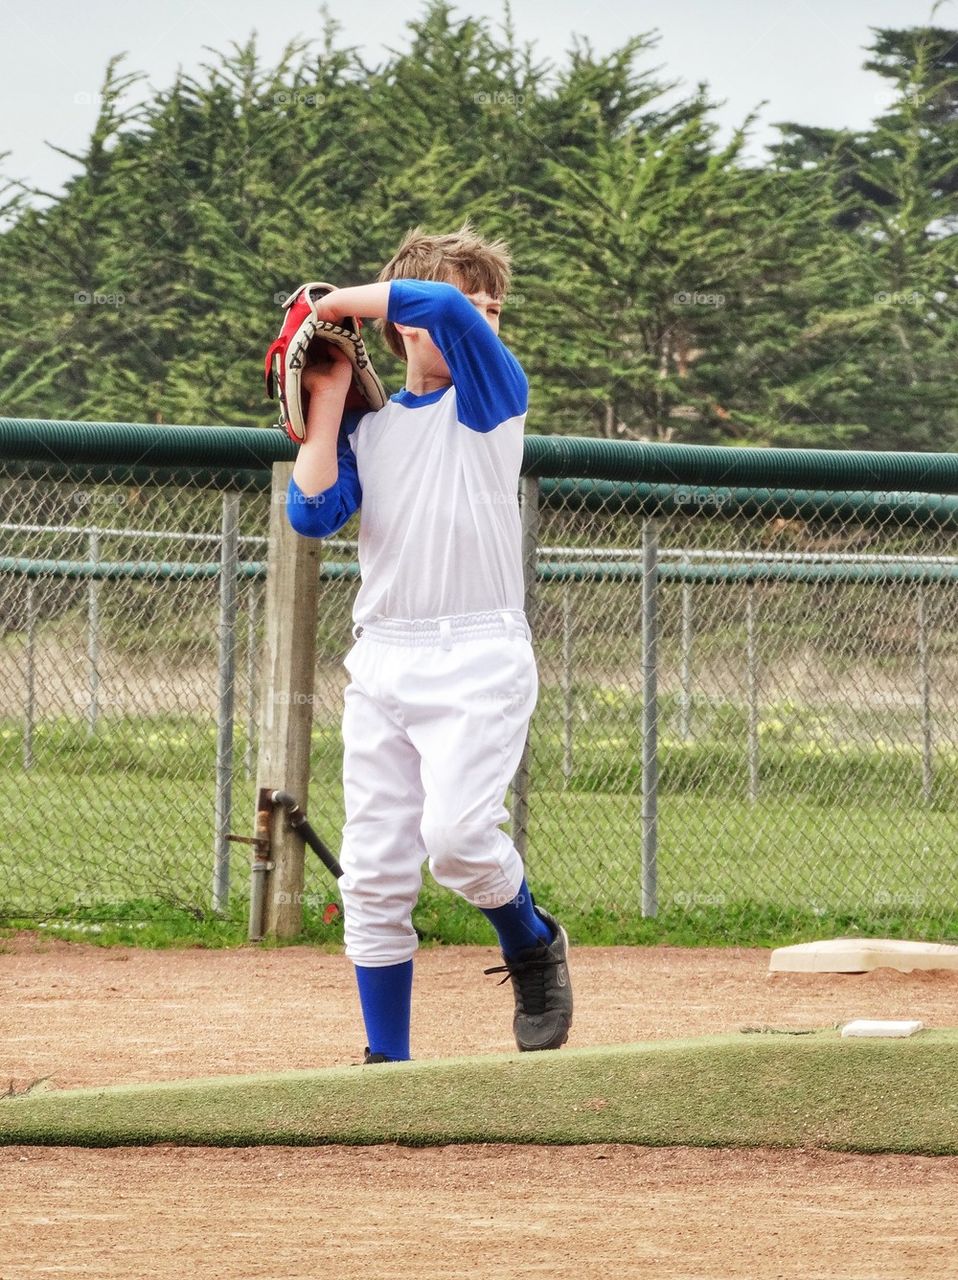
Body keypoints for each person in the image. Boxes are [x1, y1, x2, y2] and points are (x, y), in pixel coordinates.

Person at [285, 221, 572, 1062]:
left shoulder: (492, 397)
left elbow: (442, 299)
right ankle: (388, 1061)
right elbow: (311, 513)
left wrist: (325, 304)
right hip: (383, 655)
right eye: (473, 305)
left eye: (494, 308)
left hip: (478, 652)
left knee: (456, 842)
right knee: (371, 872)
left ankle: (528, 939)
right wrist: (331, 393)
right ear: (402, 327)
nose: (482, 318)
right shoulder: (372, 428)